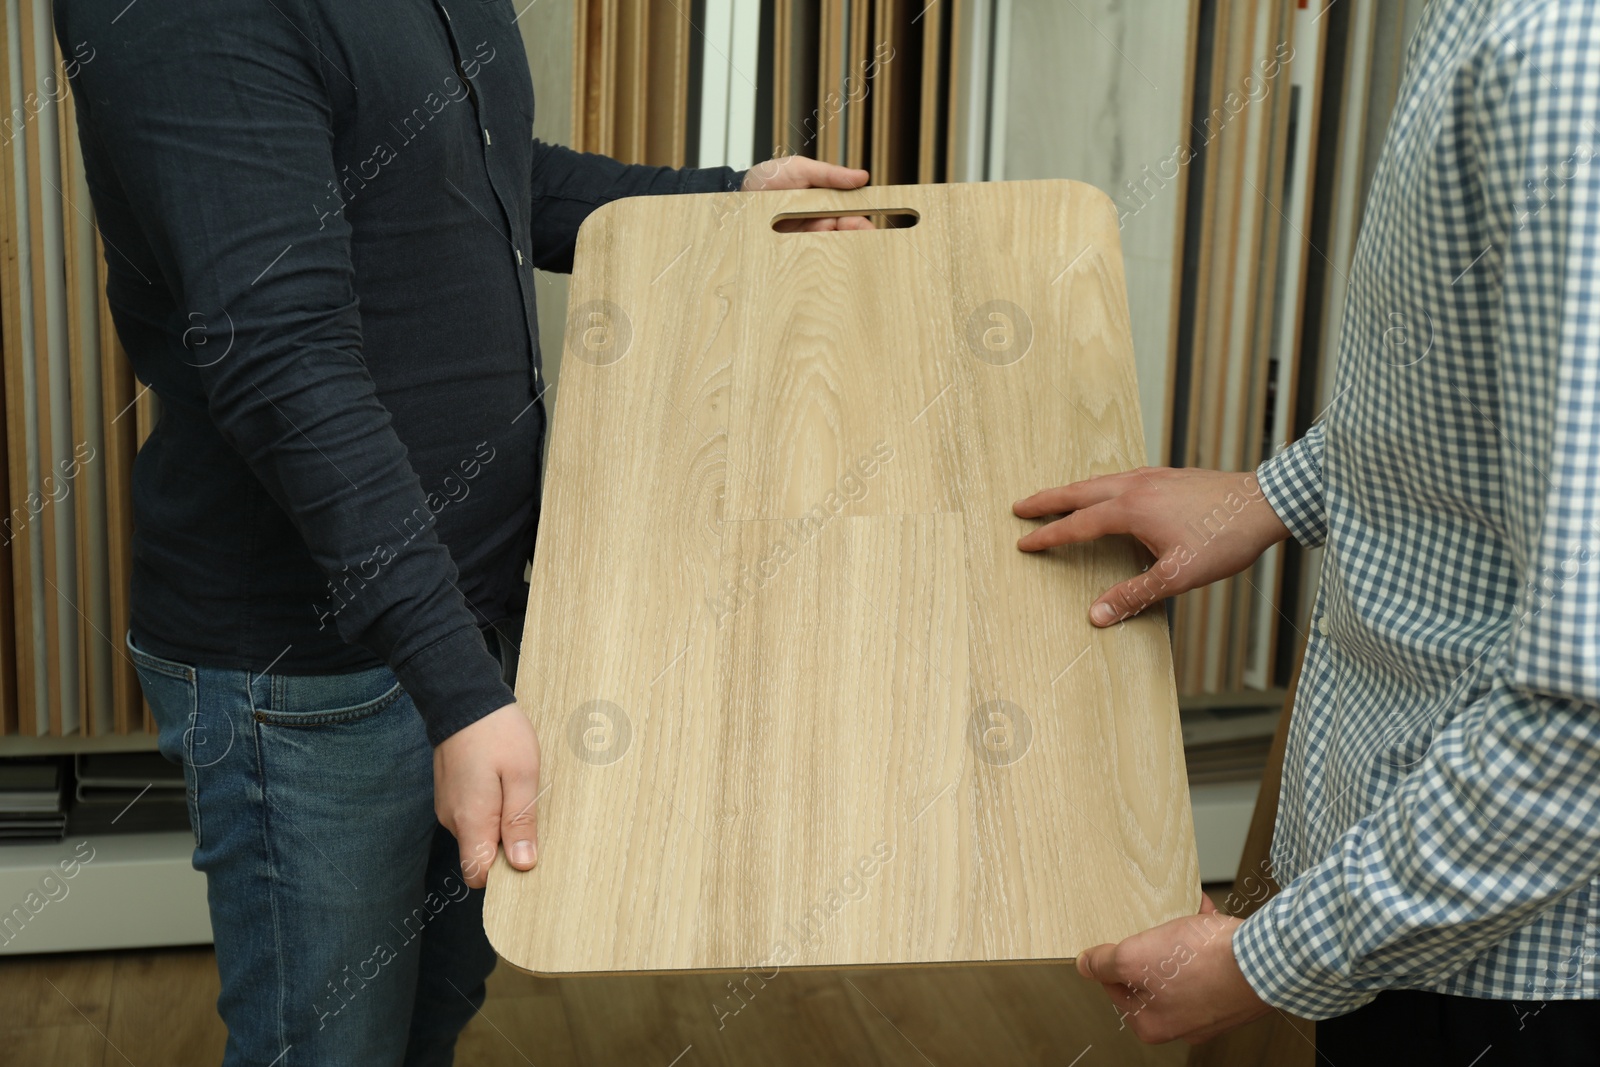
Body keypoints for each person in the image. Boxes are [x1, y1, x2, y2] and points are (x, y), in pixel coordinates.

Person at [54, 1, 866, 1063]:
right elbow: (280, 360)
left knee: (424, 1027)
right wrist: (458, 686)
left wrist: (724, 202)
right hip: (316, 670)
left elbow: (470, 170)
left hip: (469, 623)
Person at [1014, 0, 1600, 1061]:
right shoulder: (1482, 25)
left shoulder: (1560, 58)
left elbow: (1584, 709)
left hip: (1515, 971)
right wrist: (1276, 492)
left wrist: (1268, 959)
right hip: (1425, 928)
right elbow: (1476, 393)